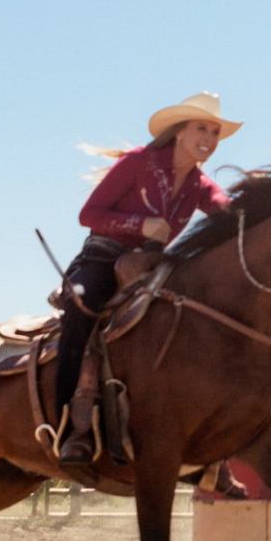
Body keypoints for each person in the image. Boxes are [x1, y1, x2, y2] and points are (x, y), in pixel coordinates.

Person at [55, 92, 239, 467]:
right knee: (83, 305)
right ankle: (64, 421)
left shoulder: (200, 185)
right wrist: (141, 224)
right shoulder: (138, 161)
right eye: (201, 127)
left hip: (156, 268)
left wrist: (252, 207)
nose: (208, 137)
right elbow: (88, 214)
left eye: (215, 131)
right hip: (104, 257)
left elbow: (225, 208)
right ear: (179, 131)